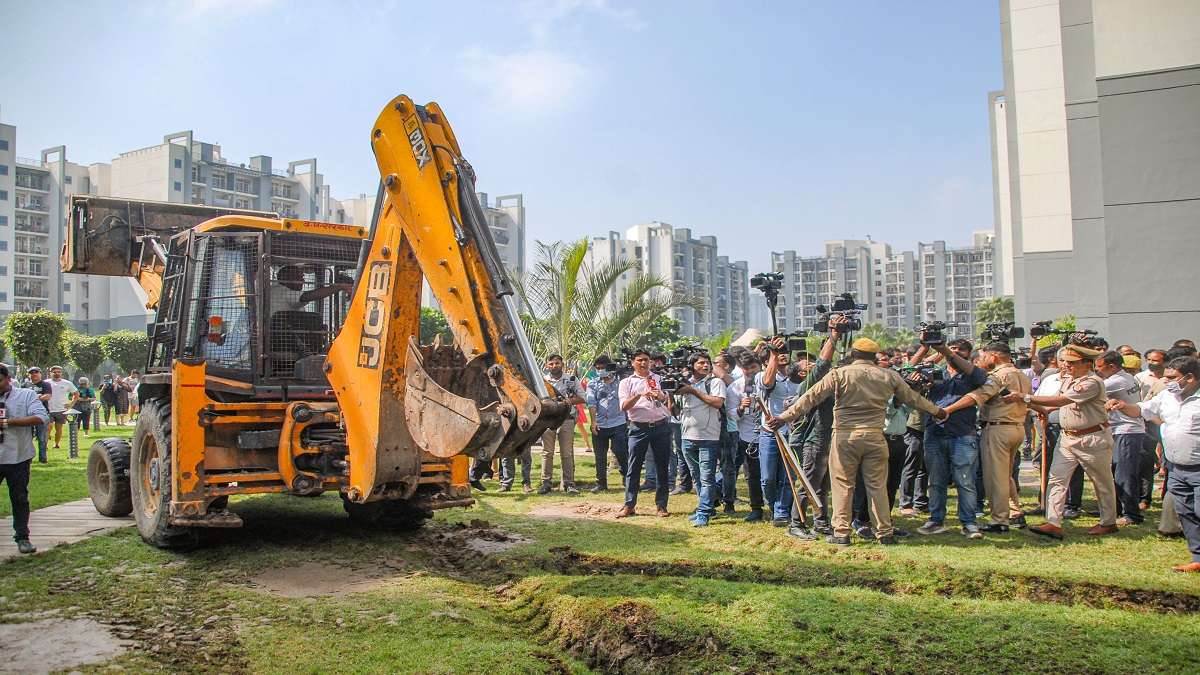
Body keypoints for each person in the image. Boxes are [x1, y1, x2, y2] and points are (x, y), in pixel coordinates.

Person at [767, 337, 946, 546]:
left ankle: (842, 532)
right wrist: (938, 411)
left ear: (854, 355)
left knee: (843, 485)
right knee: (877, 486)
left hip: (845, 436)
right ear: (874, 356)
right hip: (875, 436)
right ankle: (884, 532)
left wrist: (783, 417)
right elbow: (913, 398)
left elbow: (809, 398)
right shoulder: (889, 376)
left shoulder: (839, 374)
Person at [1107, 356, 1200, 572]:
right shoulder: (1167, 396)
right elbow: (1141, 410)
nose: (1167, 382)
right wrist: (1122, 405)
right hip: (1177, 467)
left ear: (1190, 378)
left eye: (1172, 377)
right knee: (1185, 512)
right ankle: (1197, 556)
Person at [1019, 344, 1120, 540]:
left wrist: (1025, 397)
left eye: (1072, 362)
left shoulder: (1091, 382)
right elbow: (1061, 406)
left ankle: (1108, 522)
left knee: (1101, 482)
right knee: (1056, 478)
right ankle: (1053, 522)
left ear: (1086, 363)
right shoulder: (1068, 379)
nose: (1066, 365)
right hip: (1067, 437)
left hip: (1091, 438)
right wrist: (1041, 409)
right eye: (1064, 361)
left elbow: (1062, 400)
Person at [905, 339, 989, 539]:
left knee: (965, 480)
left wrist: (946, 351)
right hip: (934, 432)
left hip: (962, 433)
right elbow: (907, 373)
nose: (956, 352)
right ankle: (936, 520)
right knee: (936, 481)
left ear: (969, 354)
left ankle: (969, 523)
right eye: (953, 349)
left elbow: (981, 377)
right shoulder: (935, 372)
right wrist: (925, 347)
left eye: (961, 350)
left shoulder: (971, 375)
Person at [962, 341, 1032, 533]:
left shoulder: (998, 376)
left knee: (995, 478)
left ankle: (999, 520)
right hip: (1016, 427)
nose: (981, 360)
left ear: (993, 357)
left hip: (998, 428)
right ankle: (1014, 512)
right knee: (1005, 476)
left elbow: (977, 397)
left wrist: (948, 409)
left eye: (984, 356)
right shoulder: (1022, 375)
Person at [782, 319, 843, 539]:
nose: (812, 364)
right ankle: (796, 523)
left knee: (821, 484)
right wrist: (833, 336)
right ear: (801, 374)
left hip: (825, 438)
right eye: (808, 366)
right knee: (808, 483)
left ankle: (820, 522)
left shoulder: (824, 384)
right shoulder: (807, 385)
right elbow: (824, 364)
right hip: (813, 439)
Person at [0, 363, 51, 554]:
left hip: (18, 456)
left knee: (20, 498)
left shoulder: (26, 395)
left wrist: (9, 422)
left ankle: (22, 537)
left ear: (7, 378)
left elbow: (41, 417)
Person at [617, 350, 673, 518]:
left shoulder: (659, 379)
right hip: (638, 428)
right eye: (639, 360)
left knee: (662, 466)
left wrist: (661, 395)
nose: (643, 363)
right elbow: (624, 406)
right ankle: (629, 505)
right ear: (633, 362)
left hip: (660, 426)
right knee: (633, 467)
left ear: (651, 362)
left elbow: (668, 400)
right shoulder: (626, 382)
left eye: (646, 360)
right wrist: (640, 395)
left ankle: (661, 505)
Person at [1095, 350, 1147, 525]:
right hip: (1126, 430)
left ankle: (1132, 514)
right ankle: (1116, 508)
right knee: (1118, 471)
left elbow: (1093, 390)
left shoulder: (1114, 382)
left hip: (1127, 431)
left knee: (1124, 473)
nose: (1097, 370)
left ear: (1112, 366)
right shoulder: (1129, 377)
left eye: (1100, 367)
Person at [675, 353, 726, 527]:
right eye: (701, 363)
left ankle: (703, 513)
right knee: (697, 477)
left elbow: (718, 403)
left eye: (707, 363)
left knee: (706, 478)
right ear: (691, 366)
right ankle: (707, 507)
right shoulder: (684, 384)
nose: (705, 365)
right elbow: (675, 412)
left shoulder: (715, 382)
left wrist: (693, 391)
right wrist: (669, 395)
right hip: (687, 437)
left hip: (708, 438)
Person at [756, 336, 802, 526]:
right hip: (770, 433)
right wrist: (772, 354)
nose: (782, 356)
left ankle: (781, 511)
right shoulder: (762, 375)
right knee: (767, 478)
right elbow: (768, 383)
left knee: (788, 476)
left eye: (784, 353)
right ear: (766, 361)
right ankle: (772, 504)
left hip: (791, 433)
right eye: (776, 354)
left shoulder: (797, 378)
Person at [725, 353, 765, 521]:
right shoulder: (735, 387)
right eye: (746, 369)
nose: (750, 372)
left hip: (772, 434)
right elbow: (732, 414)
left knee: (773, 475)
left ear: (760, 366)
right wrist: (741, 408)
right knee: (752, 475)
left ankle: (779, 506)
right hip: (749, 437)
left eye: (753, 368)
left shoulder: (768, 382)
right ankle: (756, 507)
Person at [538, 355, 584, 495]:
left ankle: (569, 484)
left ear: (562, 364)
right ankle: (546, 483)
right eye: (551, 363)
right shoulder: (542, 381)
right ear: (547, 366)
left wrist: (567, 402)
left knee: (567, 453)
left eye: (557, 363)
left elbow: (582, 397)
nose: (554, 366)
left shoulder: (571, 379)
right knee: (547, 452)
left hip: (566, 419)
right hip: (548, 420)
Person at [585, 355, 627, 493]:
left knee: (621, 452)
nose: (600, 371)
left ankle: (627, 478)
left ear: (610, 367)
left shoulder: (621, 383)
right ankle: (601, 483)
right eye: (597, 368)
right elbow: (591, 403)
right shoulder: (593, 384)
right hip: (600, 424)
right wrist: (593, 422)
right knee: (600, 455)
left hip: (618, 422)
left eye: (603, 368)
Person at [45, 366, 78, 449]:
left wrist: (71, 404)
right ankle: (44, 445)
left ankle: (56, 444)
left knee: (58, 429)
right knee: (49, 427)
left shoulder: (67, 383)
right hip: (48, 409)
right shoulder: (46, 383)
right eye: (55, 372)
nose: (57, 373)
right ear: (50, 373)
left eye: (59, 372)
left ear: (61, 373)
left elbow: (76, 394)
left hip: (61, 409)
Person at [24, 367, 51, 463]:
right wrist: (38, 397)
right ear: (28, 374)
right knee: (27, 437)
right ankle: (27, 458)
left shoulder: (45, 384)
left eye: (36, 372)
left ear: (40, 374)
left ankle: (43, 459)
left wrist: (32, 399)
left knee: (42, 437)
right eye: (31, 373)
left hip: (41, 414)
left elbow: (47, 396)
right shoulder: (25, 385)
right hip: (27, 414)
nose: (34, 374)